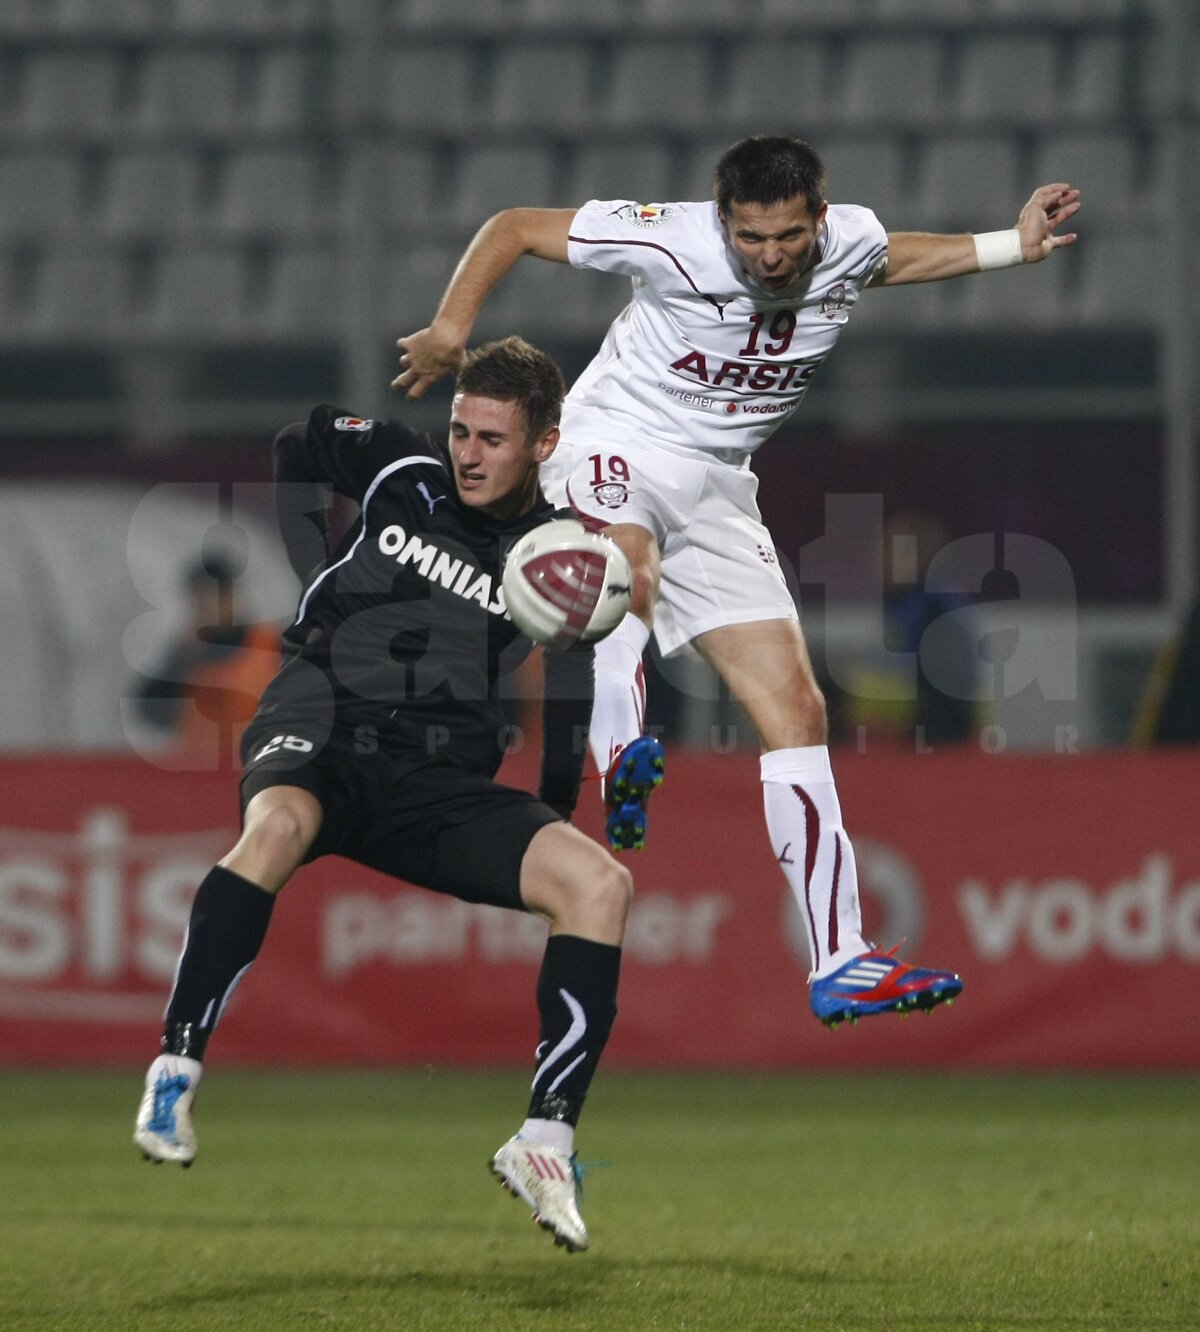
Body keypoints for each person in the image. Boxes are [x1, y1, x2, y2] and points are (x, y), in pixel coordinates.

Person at [394, 135, 1082, 1028]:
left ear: (819, 219)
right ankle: (620, 750)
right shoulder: (672, 238)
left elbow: (895, 258)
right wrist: (451, 329)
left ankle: (841, 959)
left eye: (788, 236)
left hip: (718, 486)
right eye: (751, 237)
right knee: (627, 565)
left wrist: (1010, 246)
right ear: (722, 221)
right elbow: (515, 226)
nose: (770, 256)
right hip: (615, 440)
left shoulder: (849, 241)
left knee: (796, 707)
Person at [134, 337, 627, 1254]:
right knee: (275, 827)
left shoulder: (554, 553)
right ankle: (176, 1067)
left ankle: (545, 1141)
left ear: (543, 445)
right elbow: (296, 446)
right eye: (461, 430)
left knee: (599, 886)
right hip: (324, 717)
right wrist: (314, 566)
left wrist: (556, 808)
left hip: (437, 776)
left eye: (492, 439)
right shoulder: (405, 466)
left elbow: (571, 681)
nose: (467, 453)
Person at [130, 554, 281, 759]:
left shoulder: (270, 646)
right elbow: (151, 711)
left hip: (256, 763)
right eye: (199, 599)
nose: (207, 607)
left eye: (214, 596)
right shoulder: (189, 653)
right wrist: (182, 659)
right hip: (200, 769)